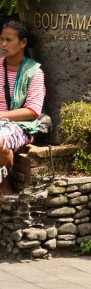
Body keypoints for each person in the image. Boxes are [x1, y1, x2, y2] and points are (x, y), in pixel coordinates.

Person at [0, 19, 46, 195]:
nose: (3, 44)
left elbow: (32, 111)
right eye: (2, 39)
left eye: (9, 40)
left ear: (23, 42)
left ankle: (5, 181)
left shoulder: (33, 72)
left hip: (20, 125)